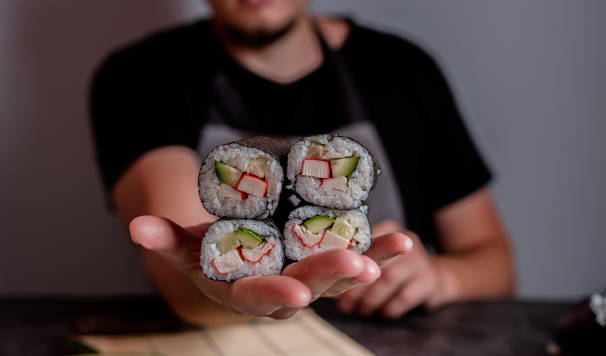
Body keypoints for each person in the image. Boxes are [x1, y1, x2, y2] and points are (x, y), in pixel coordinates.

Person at [90, 0, 514, 326]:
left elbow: (497, 265)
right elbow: (180, 272)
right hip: (222, 349)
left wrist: (442, 278)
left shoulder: (402, 70)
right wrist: (219, 284)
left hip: (394, 352)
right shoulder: (140, 79)